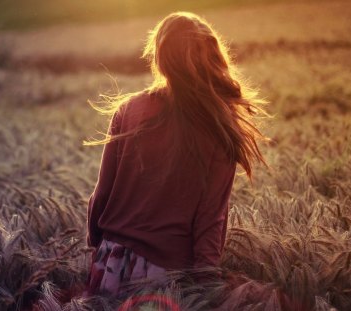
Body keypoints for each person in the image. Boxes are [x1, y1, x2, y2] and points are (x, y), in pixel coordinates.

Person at [84, 11, 267, 297]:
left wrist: (98, 247)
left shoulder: (128, 110)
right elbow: (211, 218)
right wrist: (205, 284)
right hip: (166, 277)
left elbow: (102, 192)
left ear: (158, 57)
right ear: (211, 56)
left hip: (111, 262)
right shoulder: (217, 123)